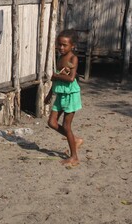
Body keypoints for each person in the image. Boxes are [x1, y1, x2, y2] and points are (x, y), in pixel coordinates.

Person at [44, 29, 83, 166]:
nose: (61, 47)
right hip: (60, 94)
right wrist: (49, 94)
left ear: (72, 46)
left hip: (70, 95)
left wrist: (56, 76)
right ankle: (75, 140)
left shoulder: (73, 58)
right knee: (52, 123)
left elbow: (71, 78)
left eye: (64, 45)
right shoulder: (60, 58)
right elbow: (57, 79)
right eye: (59, 44)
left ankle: (74, 157)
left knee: (67, 126)